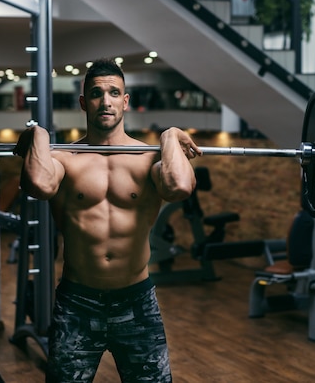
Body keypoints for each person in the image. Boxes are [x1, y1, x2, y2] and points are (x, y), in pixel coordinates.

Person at [14, 58, 201, 382]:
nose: (106, 101)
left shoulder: (148, 158)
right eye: (97, 93)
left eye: (114, 92)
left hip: (137, 302)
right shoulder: (64, 159)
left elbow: (179, 186)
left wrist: (170, 135)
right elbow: (39, 185)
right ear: (84, 102)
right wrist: (39, 134)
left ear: (125, 101)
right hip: (77, 303)